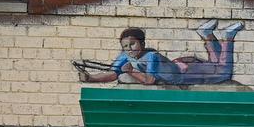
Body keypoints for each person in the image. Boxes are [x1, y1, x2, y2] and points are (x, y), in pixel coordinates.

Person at [79, 21, 243, 86]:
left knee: (223, 72)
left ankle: (227, 37)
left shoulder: (151, 56)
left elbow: (150, 80)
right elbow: (112, 74)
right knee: (217, 68)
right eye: (125, 46)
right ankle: (208, 33)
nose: (129, 49)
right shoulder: (125, 56)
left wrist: (131, 71)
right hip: (180, 68)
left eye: (132, 44)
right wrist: (91, 78)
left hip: (184, 73)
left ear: (142, 43)